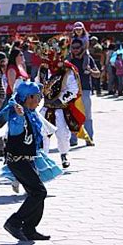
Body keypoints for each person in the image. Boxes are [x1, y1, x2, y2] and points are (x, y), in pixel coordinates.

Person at [0, 81, 53, 241]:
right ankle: (14, 222)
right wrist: (19, 116)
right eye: (37, 96)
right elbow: (15, 128)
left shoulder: (30, 113)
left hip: (27, 160)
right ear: (28, 97)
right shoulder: (18, 117)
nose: (39, 100)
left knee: (37, 192)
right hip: (18, 161)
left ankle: (29, 228)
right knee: (39, 192)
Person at [36, 40, 85, 169]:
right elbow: (38, 84)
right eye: (50, 54)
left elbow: (73, 90)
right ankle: (44, 159)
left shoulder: (68, 70)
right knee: (43, 134)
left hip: (60, 109)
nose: (53, 57)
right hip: (45, 108)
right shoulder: (43, 68)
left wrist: (60, 100)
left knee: (62, 134)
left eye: (56, 54)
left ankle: (64, 154)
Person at [69, 38, 100, 146]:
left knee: (87, 115)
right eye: (73, 48)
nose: (75, 50)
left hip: (85, 90)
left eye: (77, 48)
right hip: (72, 91)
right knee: (72, 115)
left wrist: (90, 71)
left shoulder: (88, 58)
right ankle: (73, 139)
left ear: (82, 48)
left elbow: (98, 73)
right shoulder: (69, 60)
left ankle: (89, 138)